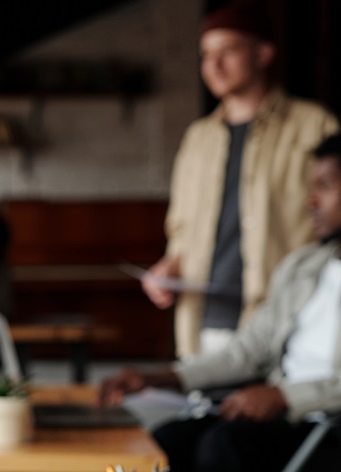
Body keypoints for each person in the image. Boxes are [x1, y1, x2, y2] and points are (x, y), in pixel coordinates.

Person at [101, 133, 341, 472]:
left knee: (222, 447)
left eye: (325, 186)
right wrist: (162, 377)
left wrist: (284, 395)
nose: (311, 200)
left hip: (325, 432)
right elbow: (248, 350)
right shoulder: (302, 267)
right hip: (280, 420)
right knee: (165, 443)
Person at [142, 0, 337, 358]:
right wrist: (169, 266)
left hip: (289, 321)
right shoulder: (197, 139)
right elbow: (181, 230)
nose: (213, 65)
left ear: (262, 54)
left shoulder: (315, 126)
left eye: (228, 51)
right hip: (205, 322)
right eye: (206, 54)